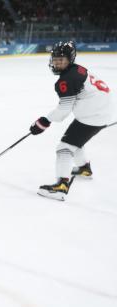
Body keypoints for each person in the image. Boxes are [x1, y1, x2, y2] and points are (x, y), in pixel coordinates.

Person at [30, 41, 113, 201]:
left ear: (70, 59)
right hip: (98, 112)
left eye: (62, 60)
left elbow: (63, 111)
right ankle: (84, 168)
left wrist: (43, 122)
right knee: (74, 141)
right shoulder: (77, 70)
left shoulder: (66, 79)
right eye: (55, 59)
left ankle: (61, 186)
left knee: (64, 148)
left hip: (93, 116)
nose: (57, 63)